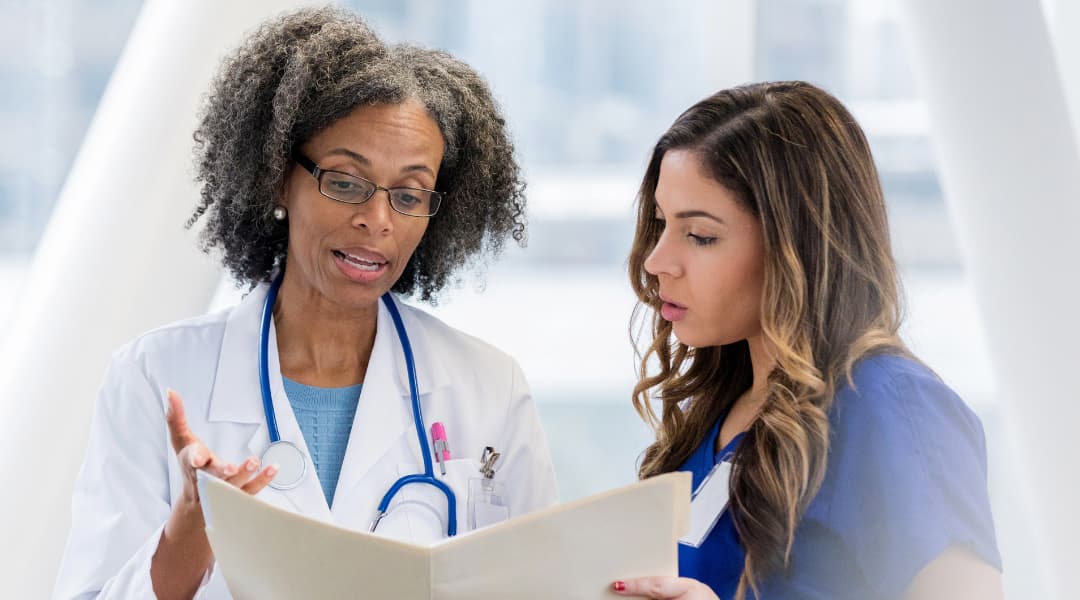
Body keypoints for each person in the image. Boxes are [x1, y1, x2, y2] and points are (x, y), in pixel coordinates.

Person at [53, 8, 557, 599]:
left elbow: (548, 585)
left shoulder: (487, 387)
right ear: (277, 177)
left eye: (409, 194)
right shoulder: (155, 376)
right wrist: (188, 535)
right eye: (345, 182)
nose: (378, 220)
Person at [611, 82, 1002, 599]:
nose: (655, 262)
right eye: (660, 224)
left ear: (799, 244)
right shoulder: (721, 415)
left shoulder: (893, 406)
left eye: (700, 235)